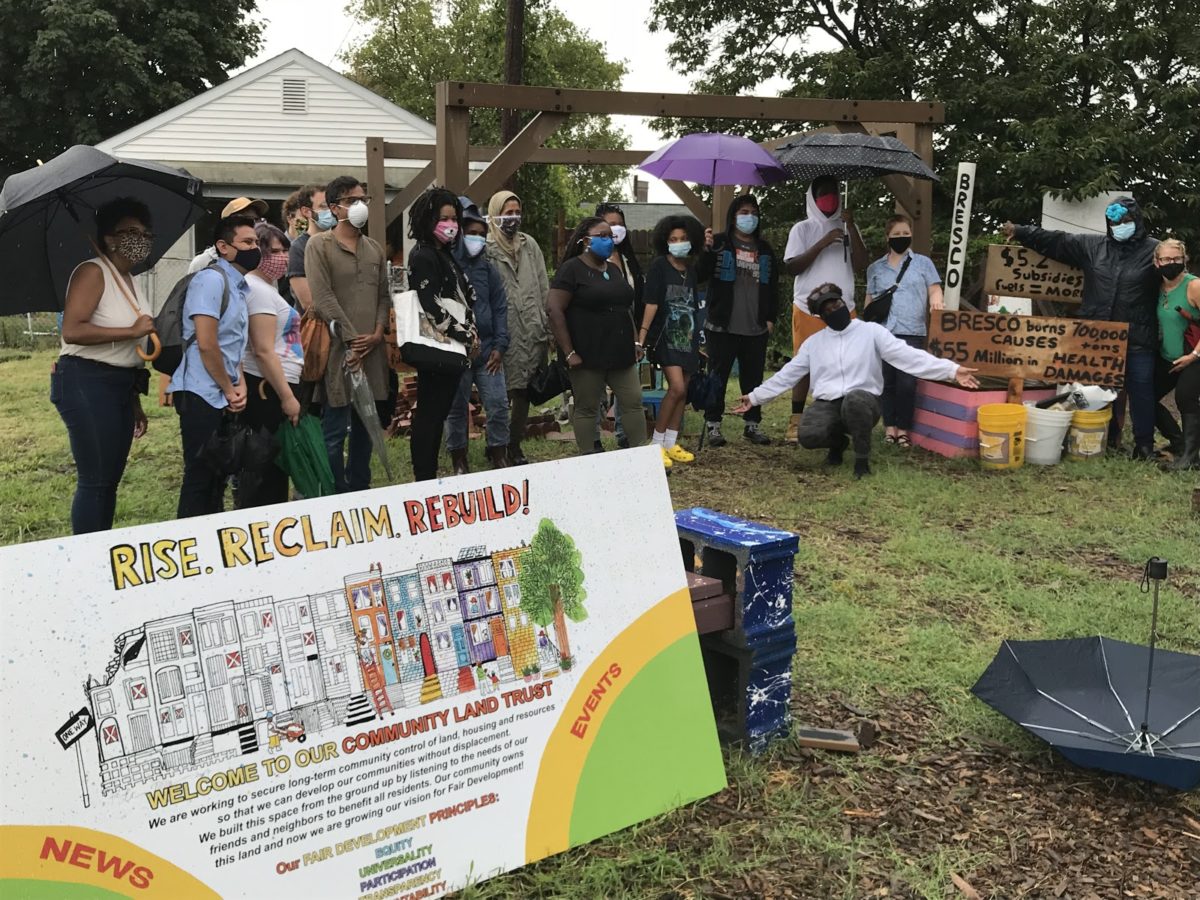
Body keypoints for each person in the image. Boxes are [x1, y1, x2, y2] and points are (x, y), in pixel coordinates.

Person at [733, 283, 979, 478]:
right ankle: (837, 443)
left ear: (844, 303)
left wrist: (952, 370)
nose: (833, 310)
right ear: (820, 316)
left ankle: (861, 459)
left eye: (836, 303)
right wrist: (754, 397)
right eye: (826, 309)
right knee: (807, 435)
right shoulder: (814, 343)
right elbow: (787, 375)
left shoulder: (871, 331)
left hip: (864, 401)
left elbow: (908, 356)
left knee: (855, 400)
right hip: (828, 402)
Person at [1002, 197, 1159, 458]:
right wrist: (1020, 231)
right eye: (1115, 222)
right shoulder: (1092, 246)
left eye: (1125, 221)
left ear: (1137, 221)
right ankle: (1095, 441)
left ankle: (1144, 446)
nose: (1120, 225)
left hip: (1137, 336)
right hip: (1096, 336)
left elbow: (1176, 276)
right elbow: (1056, 241)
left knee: (1141, 392)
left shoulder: (1154, 251)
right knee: (1091, 391)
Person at [52, 198, 157, 534]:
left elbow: (129, 348)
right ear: (109, 238)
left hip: (120, 385)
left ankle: (100, 546)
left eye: (144, 233)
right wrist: (132, 330)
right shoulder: (93, 272)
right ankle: (88, 557)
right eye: (130, 232)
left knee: (110, 479)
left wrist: (133, 400)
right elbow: (73, 329)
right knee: (96, 481)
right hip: (86, 381)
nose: (140, 238)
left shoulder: (131, 279)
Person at [305, 176, 391, 493]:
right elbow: (323, 298)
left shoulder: (374, 250)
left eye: (363, 200)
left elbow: (384, 296)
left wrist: (378, 333)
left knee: (367, 428)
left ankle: (359, 489)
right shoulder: (319, 246)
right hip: (338, 352)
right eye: (352, 200)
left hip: (371, 352)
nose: (360, 206)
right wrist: (354, 340)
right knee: (334, 429)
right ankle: (332, 492)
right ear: (334, 207)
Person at [166, 216, 256, 516]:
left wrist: (239, 383)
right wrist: (229, 388)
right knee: (200, 476)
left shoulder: (240, 287)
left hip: (224, 391)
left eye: (255, 242)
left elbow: (233, 344)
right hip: (200, 392)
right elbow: (207, 343)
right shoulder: (210, 280)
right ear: (223, 246)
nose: (254, 248)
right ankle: (187, 543)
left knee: (218, 475)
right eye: (247, 242)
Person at [547, 216, 647, 454]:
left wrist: (634, 340)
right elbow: (553, 310)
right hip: (586, 354)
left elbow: (623, 308)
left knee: (633, 401)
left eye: (610, 236)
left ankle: (642, 455)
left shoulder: (613, 270)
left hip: (620, 353)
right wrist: (568, 352)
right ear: (585, 241)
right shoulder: (571, 269)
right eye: (601, 236)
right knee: (587, 407)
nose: (608, 240)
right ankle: (591, 456)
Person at [783, 177, 868, 442]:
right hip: (809, 309)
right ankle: (796, 421)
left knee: (845, 365)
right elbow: (792, 267)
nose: (829, 198)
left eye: (832, 193)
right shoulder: (802, 228)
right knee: (803, 365)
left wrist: (851, 226)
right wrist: (822, 243)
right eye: (823, 194)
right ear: (812, 197)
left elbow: (862, 263)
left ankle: (843, 419)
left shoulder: (847, 225)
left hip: (845, 308)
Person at [406, 188, 479, 481]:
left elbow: (463, 296)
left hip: (452, 346)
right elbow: (432, 306)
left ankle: (428, 470)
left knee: (438, 413)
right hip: (437, 347)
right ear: (428, 219)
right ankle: (423, 474)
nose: (450, 224)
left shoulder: (444, 254)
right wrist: (467, 336)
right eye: (443, 218)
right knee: (429, 415)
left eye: (454, 218)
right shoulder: (423, 255)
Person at [696, 194, 777, 447]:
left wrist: (771, 318)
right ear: (733, 216)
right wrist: (706, 250)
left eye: (753, 212)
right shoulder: (718, 243)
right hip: (722, 325)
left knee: (753, 379)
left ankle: (752, 424)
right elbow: (699, 275)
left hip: (756, 327)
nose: (748, 217)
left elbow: (774, 286)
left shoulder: (765, 249)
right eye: (743, 212)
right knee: (717, 377)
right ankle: (714, 425)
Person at [863, 213, 944, 447]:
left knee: (907, 383)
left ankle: (904, 428)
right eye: (896, 234)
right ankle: (890, 428)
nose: (901, 237)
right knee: (887, 381)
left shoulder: (923, 263)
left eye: (905, 234)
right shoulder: (875, 268)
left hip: (912, 331)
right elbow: (869, 301)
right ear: (887, 237)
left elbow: (934, 289)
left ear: (911, 235)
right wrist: (865, 329)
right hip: (883, 331)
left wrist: (936, 302)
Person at [239, 222, 304, 508]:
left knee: (273, 469)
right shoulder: (258, 290)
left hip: (275, 384)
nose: (283, 257)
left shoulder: (269, 287)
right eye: (274, 251)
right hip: (268, 389)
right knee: (264, 468)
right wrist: (288, 397)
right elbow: (263, 350)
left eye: (285, 250)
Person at [485, 190, 550, 465]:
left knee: (524, 391)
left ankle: (514, 445)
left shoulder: (529, 245)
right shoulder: (486, 248)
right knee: (500, 393)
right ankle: (495, 444)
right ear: (494, 213)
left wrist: (547, 325)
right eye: (507, 212)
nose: (513, 218)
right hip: (503, 329)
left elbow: (543, 284)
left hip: (532, 328)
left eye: (516, 212)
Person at [445, 196, 509, 474]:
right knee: (456, 409)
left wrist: (500, 345)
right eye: (471, 234)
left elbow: (500, 306)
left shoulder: (488, 269)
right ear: (459, 232)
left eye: (482, 235)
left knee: (497, 405)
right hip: (457, 351)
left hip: (487, 353)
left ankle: (498, 454)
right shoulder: (445, 266)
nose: (478, 239)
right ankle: (459, 460)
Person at [639, 214, 706, 468]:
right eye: (673, 239)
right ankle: (656, 444)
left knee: (684, 391)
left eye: (684, 239)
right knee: (675, 388)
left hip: (687, 337)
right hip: (666, 338)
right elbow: (652, 302)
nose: (679, 243)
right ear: (665, 242)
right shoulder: (659, 266)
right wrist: (642, 337)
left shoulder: (690, 270)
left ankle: (671, 442)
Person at [594, 202, 645, 450]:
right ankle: (592, 441)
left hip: (626, 333)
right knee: (594, 391)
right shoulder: (586, 260)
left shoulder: (627, 260)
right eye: (610, 224)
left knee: (629, 392)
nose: (616, 230)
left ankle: (626, 436)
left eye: (620, 225)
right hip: (596, 335)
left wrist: (638, 336)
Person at [1154, 239, 1200, 470]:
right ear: (1156, 262)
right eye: (1166, 259)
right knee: (1146, 397)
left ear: (1184, 260)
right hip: (1169, 356)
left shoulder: (1194, 286)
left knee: (1185, 397)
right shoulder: (1157, 287)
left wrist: (1194, 355)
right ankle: (1180, 444)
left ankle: (1191, 457)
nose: (1171, 263)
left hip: (1194, 355)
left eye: (1176, 259)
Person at [187, 197, 268, 273]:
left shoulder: (261, 259)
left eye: (256, 219)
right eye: (246, 219)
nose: (253, 224)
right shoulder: (203, 262)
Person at [287, 183, 332, 312]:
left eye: (332, 205)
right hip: (320, 328)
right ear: (306, 211)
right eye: (323, 206)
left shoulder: (341, 243)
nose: (330, 211)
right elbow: (308, 303)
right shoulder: (299, 248)